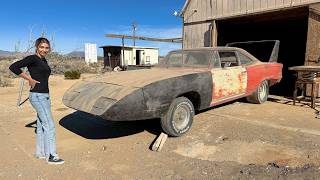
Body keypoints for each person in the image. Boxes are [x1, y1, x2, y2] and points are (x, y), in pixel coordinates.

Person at [9, 37, 64, 165]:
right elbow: (13, 67)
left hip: (44, 96)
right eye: (42, 47)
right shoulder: (32, 58)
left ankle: (40, 152)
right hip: (38, 96)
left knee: (40, 125)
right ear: (37, 47)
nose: (44, 50)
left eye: (46, 47)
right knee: (49, 126)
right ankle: (51, 156)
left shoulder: (43, 60)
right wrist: (29, 79)